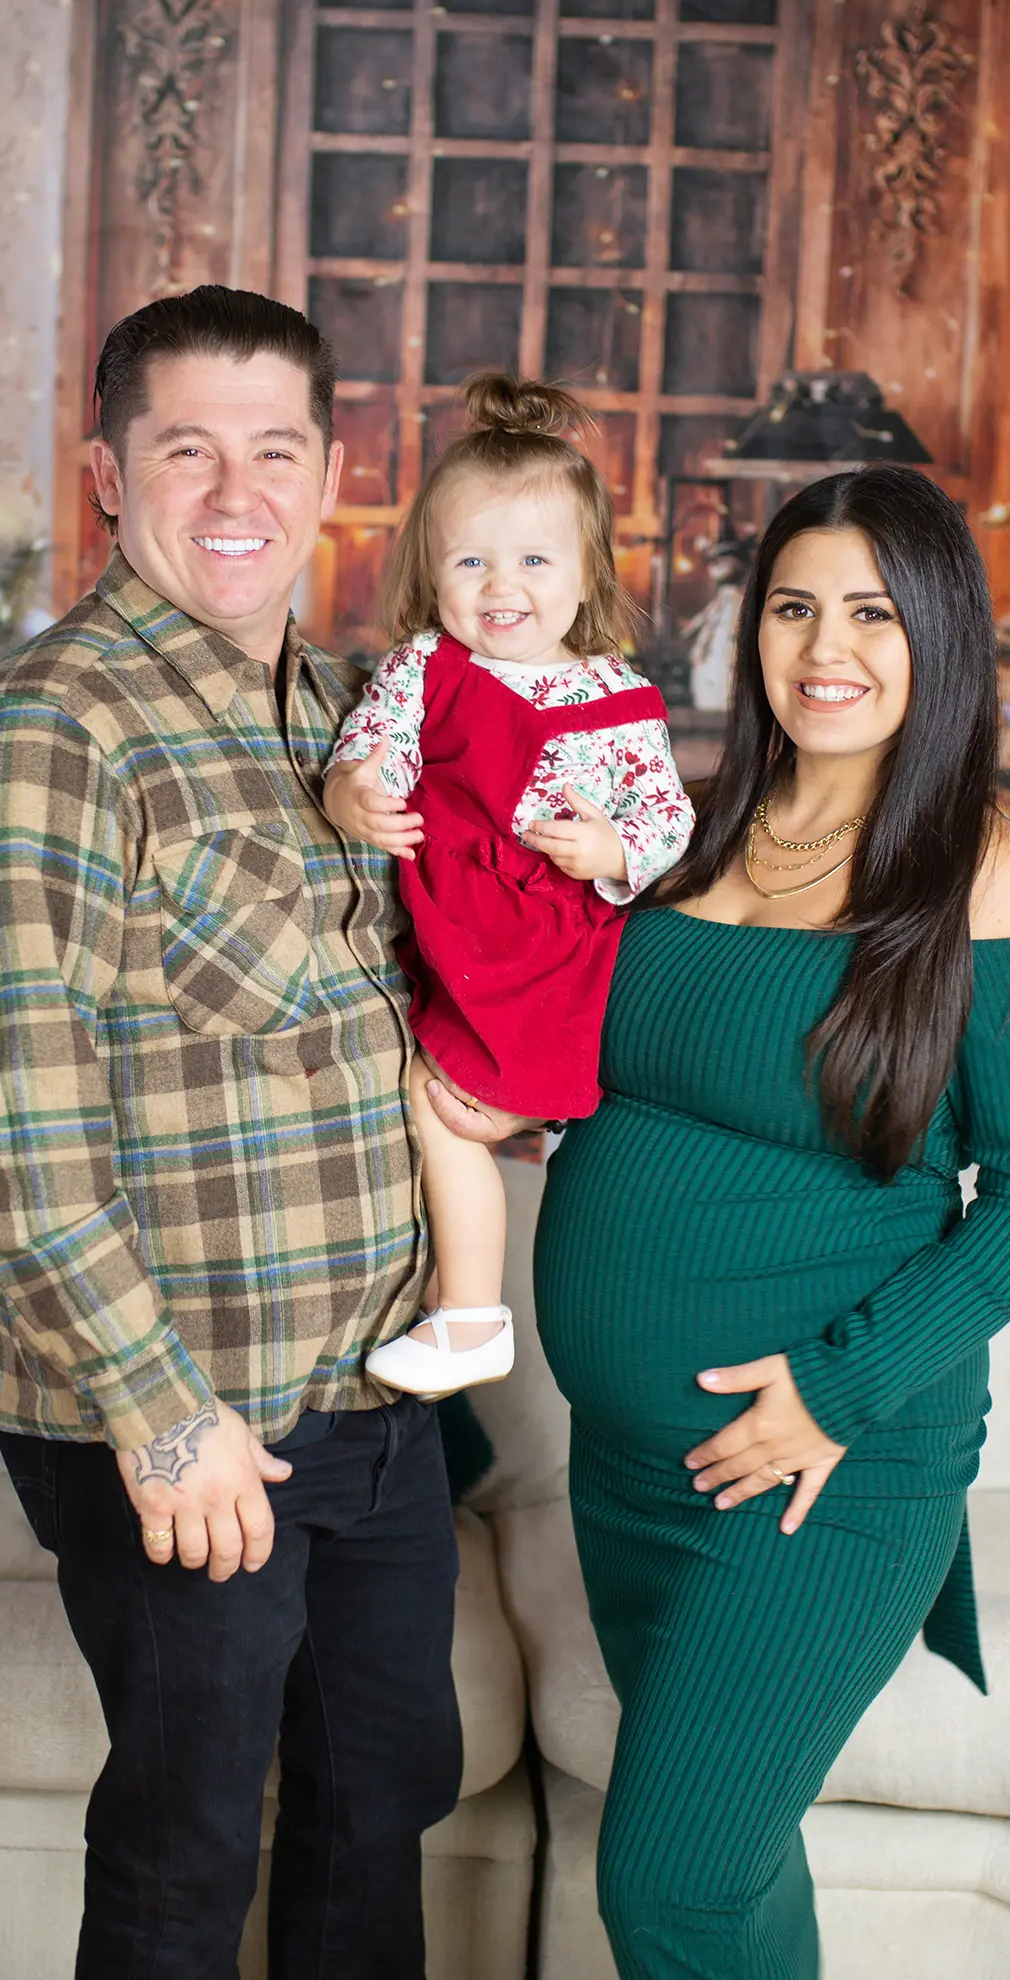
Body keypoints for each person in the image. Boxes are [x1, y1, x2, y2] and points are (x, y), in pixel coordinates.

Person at [0, 284, 463, 1980]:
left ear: (331, 474)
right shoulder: (44, 732)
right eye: (186, 450)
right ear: (104, 473)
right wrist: (158, 1415)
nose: (239, 493)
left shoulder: (353, 715)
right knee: (187, 1843)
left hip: (380, 1401)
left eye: (275, 450)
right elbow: (9, 1126)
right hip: (190, 1416)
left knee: (381, 1805)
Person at [527, 464, 1010, 1980]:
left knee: (670, 1885)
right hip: (629, 1468)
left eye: (870, 613)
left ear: (938, 637)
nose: (823, 647)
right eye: (792, 607)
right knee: (731, 1857)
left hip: (818, 1470)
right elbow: (616, 1079)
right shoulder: (682, 833)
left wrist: (833, 1393)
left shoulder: (988, 879)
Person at [322, 373, 692, 1397]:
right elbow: (374, 745)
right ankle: (454, 1292)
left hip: (542, 949)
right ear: (431, 571)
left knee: (437, 1103)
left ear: (586, 573)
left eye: (534, 559)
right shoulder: (424, 665)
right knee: (416, 1091)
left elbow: (667, 819)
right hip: (452, 924)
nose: (502, 585)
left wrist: (611, 848)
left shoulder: (616, 695)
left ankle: (472, 1315)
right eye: (471, 560)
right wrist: (355, 794)